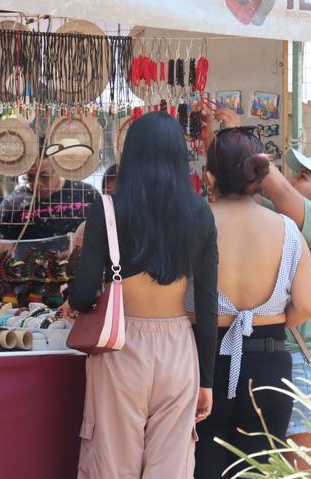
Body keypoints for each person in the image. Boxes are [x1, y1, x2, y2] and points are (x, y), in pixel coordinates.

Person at [64, 112, 219, 478]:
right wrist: (207, 381)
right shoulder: (200, 212)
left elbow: (84, 291)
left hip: (121, 345)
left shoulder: (108, 209)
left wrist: (76, 305)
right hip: (179, 348)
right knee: (171, 464)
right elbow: (208, 302)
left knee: (112, 461)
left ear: (130, 154)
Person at [204, 108, 311, 471]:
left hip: (301, 360)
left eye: (302, 177)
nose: (289, 179)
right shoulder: (282, 223)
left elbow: (280, 193)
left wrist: (243, 138)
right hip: (271, 356)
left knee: (297, 469)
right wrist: (221, 138)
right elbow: (238, 192)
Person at [188, 126, 311, 479]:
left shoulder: (195, 226)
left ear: (209, 176)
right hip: (269, 363)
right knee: (259, 471)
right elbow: (308, 304)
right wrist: (270, 320)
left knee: (204, 467)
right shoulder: (287, 230)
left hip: (205, 363)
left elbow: (181, 303)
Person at [0, 158, 98, 240]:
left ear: (59, 169)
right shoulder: (13, 205)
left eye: (44, 176)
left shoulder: (86, 194)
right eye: (31, 177)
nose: (38, 183)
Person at [73, 164, 118, 248]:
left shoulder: (145, 225)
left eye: (119, 192)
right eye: (108, 192)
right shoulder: (88, 228)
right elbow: (77, 257)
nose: (114, 199)